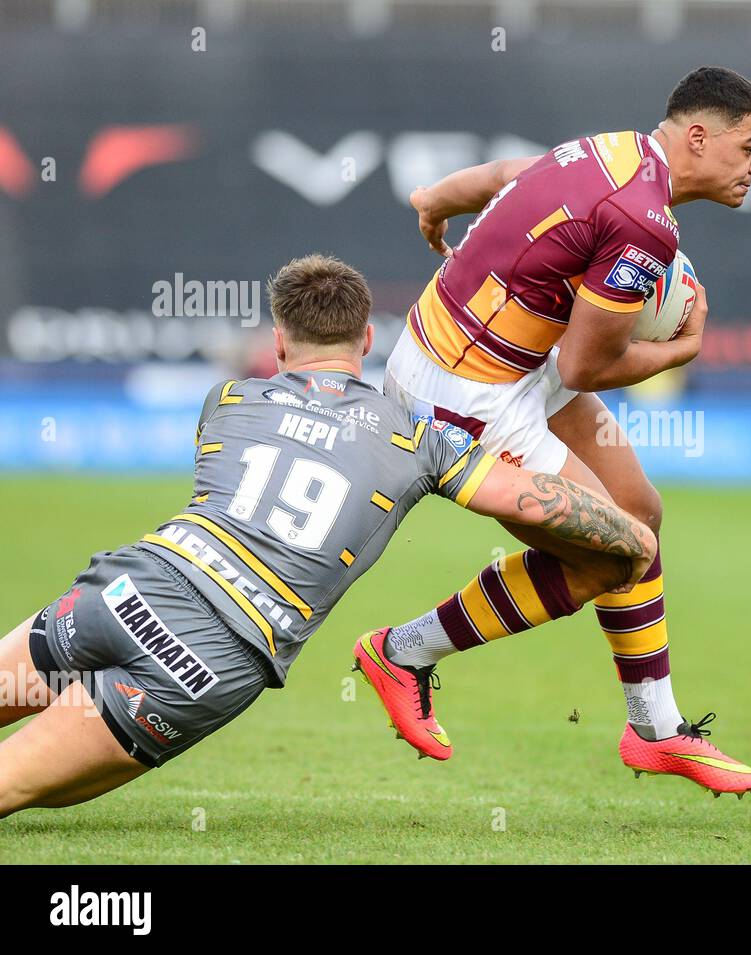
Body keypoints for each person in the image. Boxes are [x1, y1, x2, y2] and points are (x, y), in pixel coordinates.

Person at [0, 254, 656, 817]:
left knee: (47, 791)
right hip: (211, 654)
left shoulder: (226, 401)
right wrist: (634, 534)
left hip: (127, 588)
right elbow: (530, 500)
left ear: (278, 343)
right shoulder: (417, 439)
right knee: (23, 785)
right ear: (368, 339)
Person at [374, 66, 751, 796]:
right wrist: (681, 351)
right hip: (465, 392)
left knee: (640, 514)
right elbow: (586, 364)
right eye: (749, 147)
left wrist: (432, 202)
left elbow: (503, 173)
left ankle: (657, 729)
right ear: (697, 135)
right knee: (617, 553)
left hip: (499, 360)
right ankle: (403, 651)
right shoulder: (644, 223)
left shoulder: (603, 150)